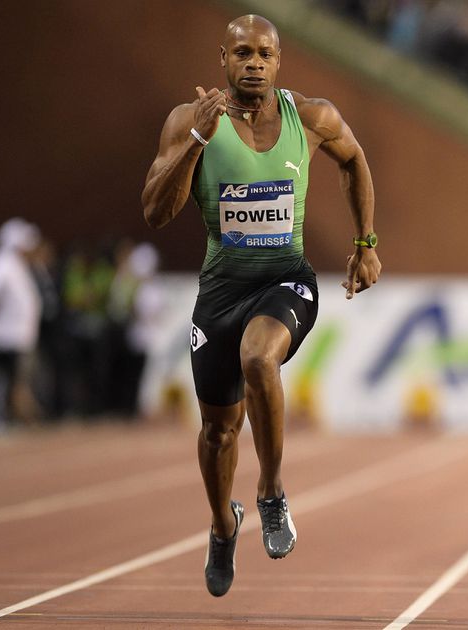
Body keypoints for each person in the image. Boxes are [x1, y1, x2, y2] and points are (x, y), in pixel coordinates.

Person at [141, 14, 380, 597]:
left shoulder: (312, 117)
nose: (253, 63)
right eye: (241, 53)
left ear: (279, 60)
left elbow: (355, 161)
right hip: (220, 294)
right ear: (222, 57)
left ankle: (271, 493)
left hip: (286, 281)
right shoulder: (189, 122)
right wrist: (197, 141)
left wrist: (365, 244)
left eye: (264, 54)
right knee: (219, 433)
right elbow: (154, 210)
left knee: (258, 358)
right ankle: (224, 526)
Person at [0, 218, 43, 436]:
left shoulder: (17, 265)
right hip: (4, 336)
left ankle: (10, 420)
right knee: (4, 382)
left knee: (15, 382)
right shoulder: (2, 265)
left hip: (18, 337)